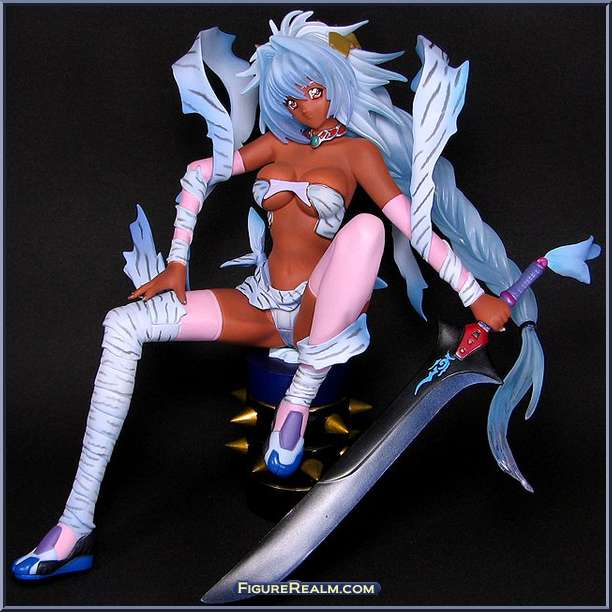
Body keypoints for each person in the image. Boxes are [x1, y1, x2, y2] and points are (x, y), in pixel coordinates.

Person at [15, 10, 544, 581]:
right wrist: (176, 263)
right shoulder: (275, 146)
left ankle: (301, 394)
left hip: (320, 312)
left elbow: (413, 227)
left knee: (367, 229)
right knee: (122, 323)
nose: (304, 107)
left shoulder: (357, 154)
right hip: (262, 304)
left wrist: (473, 295)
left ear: (333, 86)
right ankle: (75, 523)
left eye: (313, 92)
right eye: (292, 98)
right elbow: (198, 174)